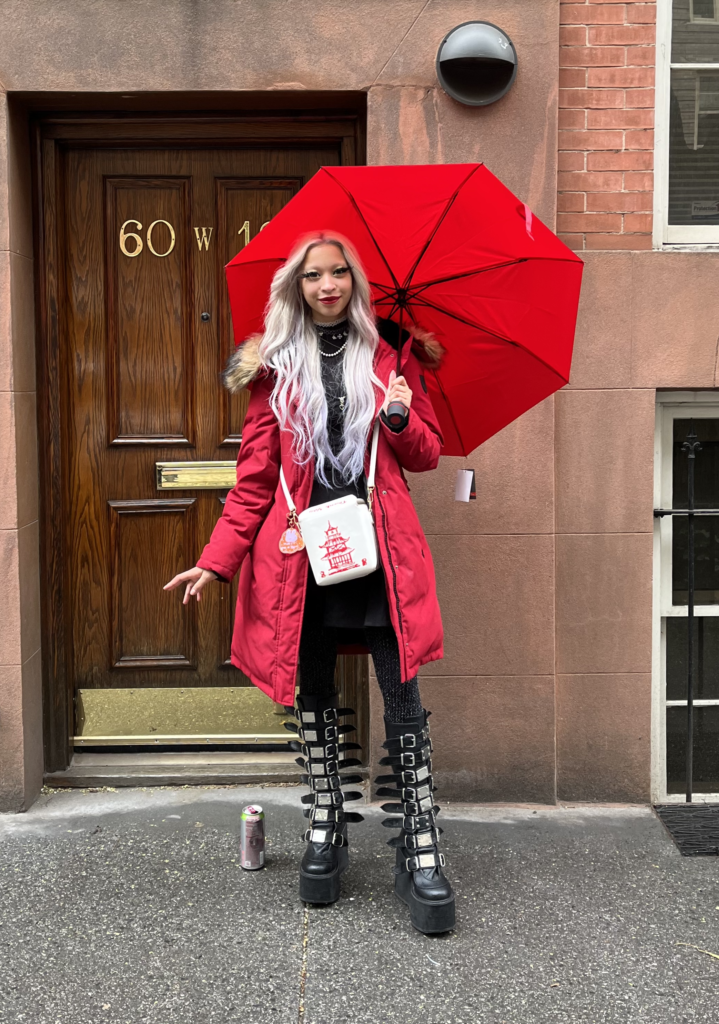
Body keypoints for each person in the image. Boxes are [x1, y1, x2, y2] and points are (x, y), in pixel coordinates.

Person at [164, 233, 455, 934]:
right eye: (314, 275)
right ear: (297, 286)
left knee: (402, 689)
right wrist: (216, 559)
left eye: (340, 273)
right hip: (305, 555)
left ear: (355, 282)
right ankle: (328, 822)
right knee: (315, 688)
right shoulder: (275, 368)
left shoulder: (390, 355)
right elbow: (256, 480)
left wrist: (398, 412)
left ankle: (419, 845)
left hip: (380, 546)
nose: (328, 285)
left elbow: (427, 454)